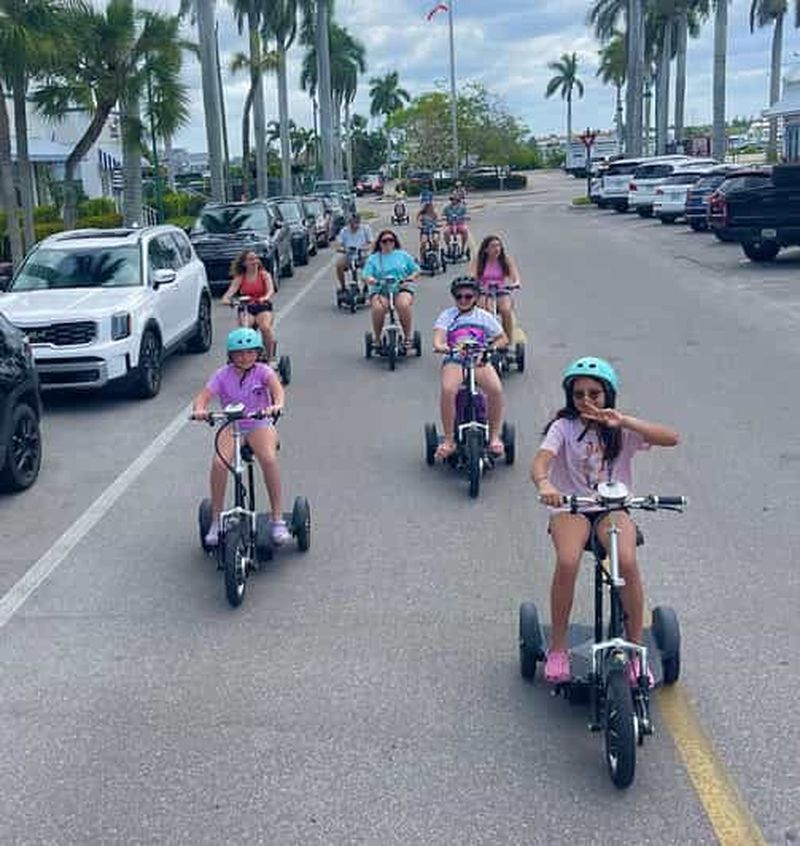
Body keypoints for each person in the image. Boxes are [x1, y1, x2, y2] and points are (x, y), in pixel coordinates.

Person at [530, 357, 680, 686]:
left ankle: (635, 650)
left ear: (608, 394)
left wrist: (624, 421)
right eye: (579, 394)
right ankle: (558, 648)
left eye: (594, 394)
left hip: (612, 507)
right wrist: (545, 484)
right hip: (573, 506)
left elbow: (671, 438)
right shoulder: (563, 427)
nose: (586, 400)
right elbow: (541, 461)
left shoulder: (620, 428)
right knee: (568, 561)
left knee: (626, 561)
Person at [192, 327, 290, 547]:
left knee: (268, 459)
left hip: (258, 423)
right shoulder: (222, 375)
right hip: (232, 425)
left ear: (257, 353)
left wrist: (276, 405)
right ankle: (216, 521)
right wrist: (200, 409)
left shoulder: (263, 371)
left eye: (250, 352)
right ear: (231, 355)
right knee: (219, 464)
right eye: (239, 353)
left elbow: (277, 390)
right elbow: (203, 396)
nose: (245, 357)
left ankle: (277, 519)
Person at [432, 277, 508, 460]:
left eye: (468, 296)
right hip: (455, 359)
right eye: (459, 296)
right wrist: (443, 347)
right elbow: (438, 339)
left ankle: (494, 436)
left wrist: (491, 348)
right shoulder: (447, 316)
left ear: (475, 297)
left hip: (479, 359)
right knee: (448, 390)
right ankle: (449, 440)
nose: (463, 300)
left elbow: (502, 338)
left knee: (495, 389)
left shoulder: (484, 316)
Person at [362, 229, 420, 350]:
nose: (388, 243)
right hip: (381, 290)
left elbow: (416, 269)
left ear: (394, 242)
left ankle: (407, 337)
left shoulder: (402, 255)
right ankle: (377, 339)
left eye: (391, 240)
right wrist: (372, 280)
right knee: (378, 309)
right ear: (379, 243)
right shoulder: (373, 258)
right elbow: (366, 275)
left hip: (401, 288)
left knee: (403, 305)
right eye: (384, 241)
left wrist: (410, 277)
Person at [221, 250, 276, 358]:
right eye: (251, 260)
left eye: (256, 259)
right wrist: (233, 302)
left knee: (265, 327)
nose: (254, 262)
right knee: (245, 330)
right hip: (247, 307)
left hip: (262, 306)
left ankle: (270, 356)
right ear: (244, 263)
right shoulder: (240, 277)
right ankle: (248, 355)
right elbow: (226, 297)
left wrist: (265, 297)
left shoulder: (264, 275)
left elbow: (271, 290)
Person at [470, 235, 522, 343]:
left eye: (498, 246)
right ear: (486, 249)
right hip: (484, 291)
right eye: (493, 246)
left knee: (505, 310)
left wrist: (515, 283)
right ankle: (485, 337)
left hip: (501, 290)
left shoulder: (505, 260)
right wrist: (476, 285)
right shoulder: (479, 261)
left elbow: (515, 276)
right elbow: (472, 276)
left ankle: (507, 340)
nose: (497, 249)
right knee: (485, 311)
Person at [334, 212, 373, 295]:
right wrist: (342, 249)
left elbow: (371, 243)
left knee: (368, 264)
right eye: (352, 222)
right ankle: (343, 286)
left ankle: (366, 285)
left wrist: (365, 248)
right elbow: (338, 244)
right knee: (339, 265)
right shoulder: (344, 231)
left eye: (357, 222)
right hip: (348, 255)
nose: (355, 224)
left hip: (362, 255)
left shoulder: (365, 229)